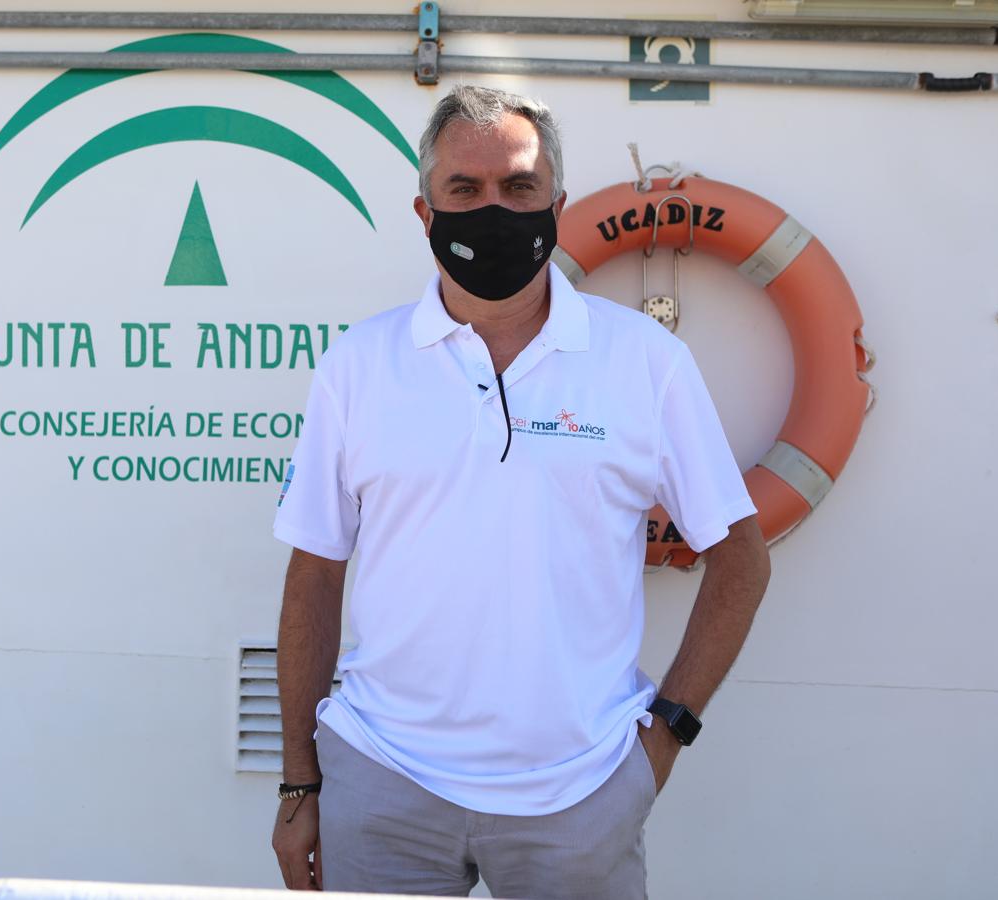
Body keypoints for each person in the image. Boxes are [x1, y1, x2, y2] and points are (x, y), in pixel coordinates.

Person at [269, 84, 771, 899]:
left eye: (519, 188)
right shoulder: (359, 365)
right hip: (384, 781)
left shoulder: (643, 363)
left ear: (558, 205)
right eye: (465, 190)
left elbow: (740, 559)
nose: (494, 210)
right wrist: (301, 782)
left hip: (580, 796)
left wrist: (663, 740)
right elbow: (315, 574)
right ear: (426, 213)